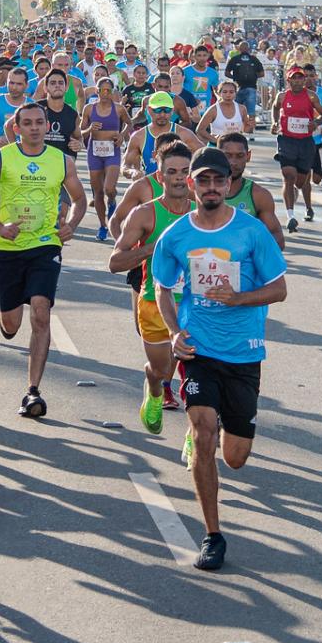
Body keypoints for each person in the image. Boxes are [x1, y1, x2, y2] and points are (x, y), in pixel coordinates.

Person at [150, 146, 288, 572]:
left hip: (244, 353)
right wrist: (175, 333)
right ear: (189, 184)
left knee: (236, 457)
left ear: (229, 185)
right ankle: (213, 534)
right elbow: (162, 288)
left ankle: (206, 432)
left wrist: (240, 298)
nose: (210, 188)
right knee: (205, 431)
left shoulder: (250, 232)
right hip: (200, 349)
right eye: (202, 180)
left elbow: (279, 289)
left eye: (218, 181)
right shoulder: (174, 236)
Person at [0, 103, 87, 419]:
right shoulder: (4, 157)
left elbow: (79, 199)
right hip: (7, 249)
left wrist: (70, 226)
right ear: (17, 127)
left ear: (47, 126)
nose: (34, 127)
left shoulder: (61, 161)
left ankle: (33, 390)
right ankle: (6, 314)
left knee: (40, 311)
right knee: (11, 325)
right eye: (27, 123)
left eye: (39, 122)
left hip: (45, 246)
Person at [108, 143, 195, 433]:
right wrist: (152, 250)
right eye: (172, 172)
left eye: (185, 171)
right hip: (154, 303)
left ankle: (196, 435)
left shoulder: (205, 212)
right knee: (161, 369)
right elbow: (115, 262)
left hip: (198, 307)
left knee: (199, 376)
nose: (179, 178)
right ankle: (155, 388)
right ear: (160, 176)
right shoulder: (145, 215)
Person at [273, 64, 322, 225]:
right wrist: (275, 122)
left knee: (300, 181)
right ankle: (290, 215)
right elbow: (275, 108)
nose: (297, 81)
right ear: (288, 80)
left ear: (304, 80)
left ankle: (305, 203)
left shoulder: (311, 96)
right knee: (288, 176)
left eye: (300, 78)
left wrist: (315, 123)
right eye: (294, 78)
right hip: (286, 140)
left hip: (305, 142)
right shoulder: (282, 96)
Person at [77, 75, 125, 240]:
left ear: (112, 92)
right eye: (102, 90)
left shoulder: (118, 109)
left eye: (108, 90)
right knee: (97, 192)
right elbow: (80, 132)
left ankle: (112, 200)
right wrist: (90, 129)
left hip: (112, 151)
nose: (105, 93)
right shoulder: (89, 109)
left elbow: (129, 124)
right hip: (94, 151)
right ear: (96, 91)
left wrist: (122, 136)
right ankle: (103, 226)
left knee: (109, 188)